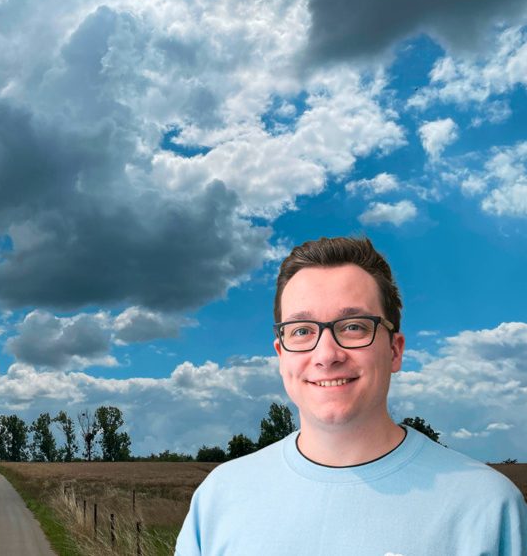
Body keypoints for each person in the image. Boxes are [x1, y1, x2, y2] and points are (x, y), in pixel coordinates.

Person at [175, 236, 527, 555]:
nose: (327, 354)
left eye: (354, 326)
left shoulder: (487, 507)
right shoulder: (220, 498)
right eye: (301, 330)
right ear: (281, 355)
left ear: (394, 350)